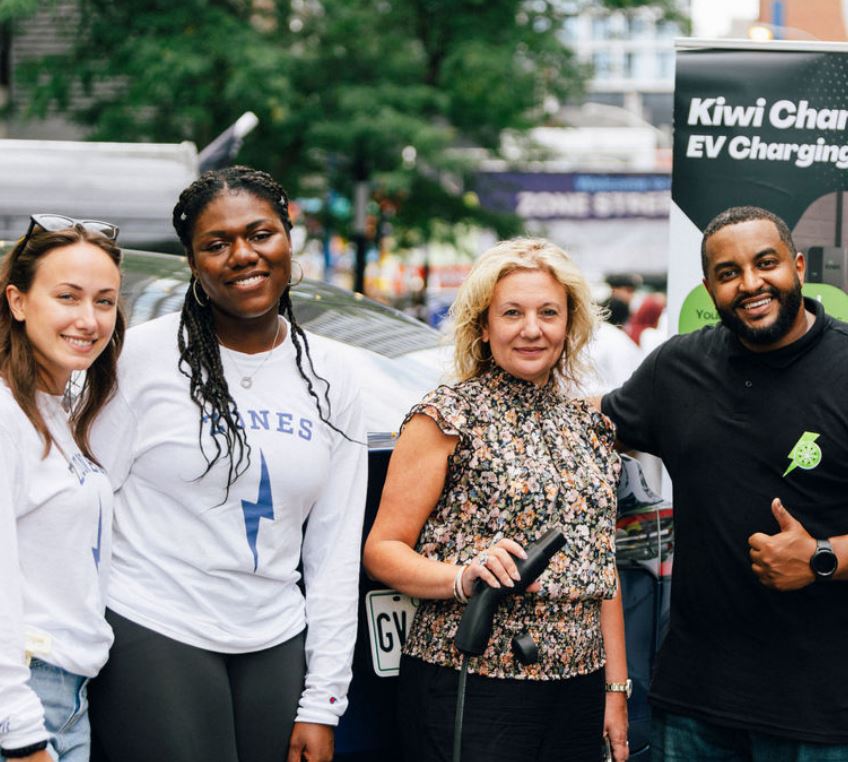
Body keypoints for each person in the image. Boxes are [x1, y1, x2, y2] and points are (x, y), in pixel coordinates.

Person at [87, 166, 367, 762]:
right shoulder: (139, 357)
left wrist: (324, 700)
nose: (243, 255)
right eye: (216, 245)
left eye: (260, 234)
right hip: (154, 620)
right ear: (193, 263)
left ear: (290, 236)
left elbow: (334, 550)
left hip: (274, 633)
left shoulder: (333, 375)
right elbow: (85, 505)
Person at [364, 238, 630, 762]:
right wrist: (460, 577)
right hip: (472, 679)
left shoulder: (590, 424)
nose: (532, 329)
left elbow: (604, 568)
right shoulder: (444, 418)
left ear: (569, 324)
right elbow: (382, 549)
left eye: (548, 312)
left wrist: (615, 689)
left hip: (578, 688)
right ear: (484, 327)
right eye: (512, 313)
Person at [601, 206, 848, 760]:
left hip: (824, 715)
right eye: (729, 272)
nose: (751, 283)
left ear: (799, 266)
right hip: (695, 705)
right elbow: (588, 425)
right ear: (710, 288)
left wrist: (821, 557)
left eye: (766, 264)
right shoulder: (678, 369)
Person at [0, 216, 125, 761]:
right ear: (18, 301)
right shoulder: (6, 417)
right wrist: (22, 733)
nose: (88, 319)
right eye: (67, 297)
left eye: (104, 301)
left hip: (68, 694)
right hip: (26, 699)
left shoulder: (59, 413)